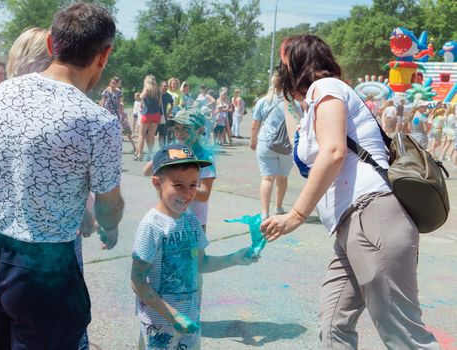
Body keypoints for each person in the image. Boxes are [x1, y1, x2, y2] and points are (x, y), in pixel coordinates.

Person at [261, 34, 439, 349]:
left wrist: (296, 215)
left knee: (404, 336)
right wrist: (285, 106)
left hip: (372, 214)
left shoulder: (325, 87)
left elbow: (333, 152)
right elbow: (308, 156)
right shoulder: (316, 105)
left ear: (299, 64)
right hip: (350, 225)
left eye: (284, 64)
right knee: (333, 325)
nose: (280, 71)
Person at [0, 4, 124, 349]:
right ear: (104, 55)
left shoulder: (6, 92)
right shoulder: (98, 122)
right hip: (44, 268)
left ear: (52, 44)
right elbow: (108, 206)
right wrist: (110, 225)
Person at [131, 143, 257, 350]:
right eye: (178, 185)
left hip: (189, 319)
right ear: (157, 183)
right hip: (159, 324)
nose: (188, 193)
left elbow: (202, 263)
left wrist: (235, 258)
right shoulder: (151, 226)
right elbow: (136, 280)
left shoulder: (190, 220)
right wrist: (172, 315)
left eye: (193, 185)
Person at [145, 108, 216, 232]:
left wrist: (181, 186)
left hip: (194, 222)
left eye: (186, 129)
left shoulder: (205, 157)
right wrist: (164, 153)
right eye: (177, 128)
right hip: (171, 217)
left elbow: (204, 195)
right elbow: (146, 171)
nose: (179, 133)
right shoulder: (173, 151)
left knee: (195, 252)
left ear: (200, 131)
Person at [250, 78, 293, 220]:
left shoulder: (263, 101)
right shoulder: (292, 102)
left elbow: (255, 125)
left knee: (267, 178)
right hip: (286, 145)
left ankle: (264, 212)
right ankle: (278, 207)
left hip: (265, 143)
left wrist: (253, 140)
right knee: (283, 178)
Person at [101, 76, 136, 154]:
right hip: (107, 112)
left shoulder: (118, 92)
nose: (113, 84)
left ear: (116, 84)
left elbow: (120, 101)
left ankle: (115, 147)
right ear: (110, 83)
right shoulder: (106, 91)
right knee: (107, 130)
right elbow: (103, 102)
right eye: (112, 83)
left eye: (115, 83)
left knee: (116, 130)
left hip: (115, 113)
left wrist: (122, 109)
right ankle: (107, 147)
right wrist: (102, 111)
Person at [136, 75, 161, 161]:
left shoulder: (147, 89)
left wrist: (141, 94)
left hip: (147, 114)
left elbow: (141, 97)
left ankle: (139, 154)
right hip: (156, 114)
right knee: (152, 135)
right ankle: (149, 154)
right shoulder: (157, 90)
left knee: (141, 135)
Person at [158, 80, 174, 147]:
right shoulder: (156, 94)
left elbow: (172, 104)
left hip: (163, 116)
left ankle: (161, 148)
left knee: (162, 133)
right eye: (164, 86)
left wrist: (169, 112)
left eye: (167, 86)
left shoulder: (168, 96)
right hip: (155, 115)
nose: (166, 87)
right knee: (152, 133)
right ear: (160, 86)